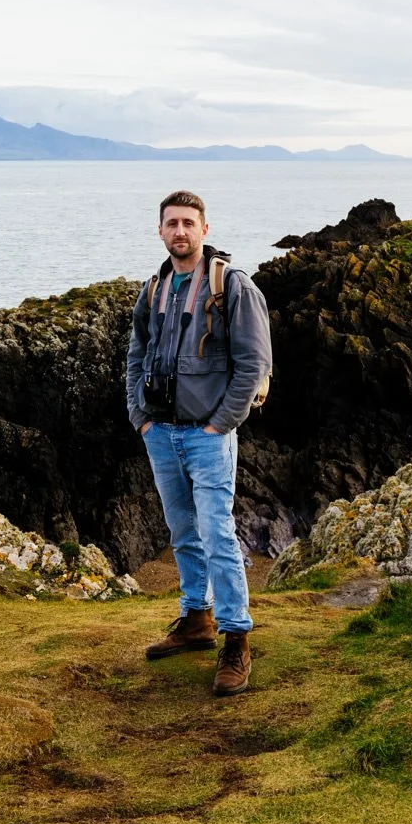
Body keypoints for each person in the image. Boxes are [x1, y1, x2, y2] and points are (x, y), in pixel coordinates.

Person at [126, 190, 273, 696]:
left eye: (189, 223)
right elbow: (135, 356)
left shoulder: (232, 286)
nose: (180, 231)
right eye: (172, 223)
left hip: (208, 435)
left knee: (217, 533)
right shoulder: (154, 289)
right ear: (160, 230)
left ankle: (237, 637)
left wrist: (220, 425)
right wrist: (140, 418)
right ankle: (195, 621)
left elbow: (254, 364)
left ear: (204, 230)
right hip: (161, 434)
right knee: (182, 531)